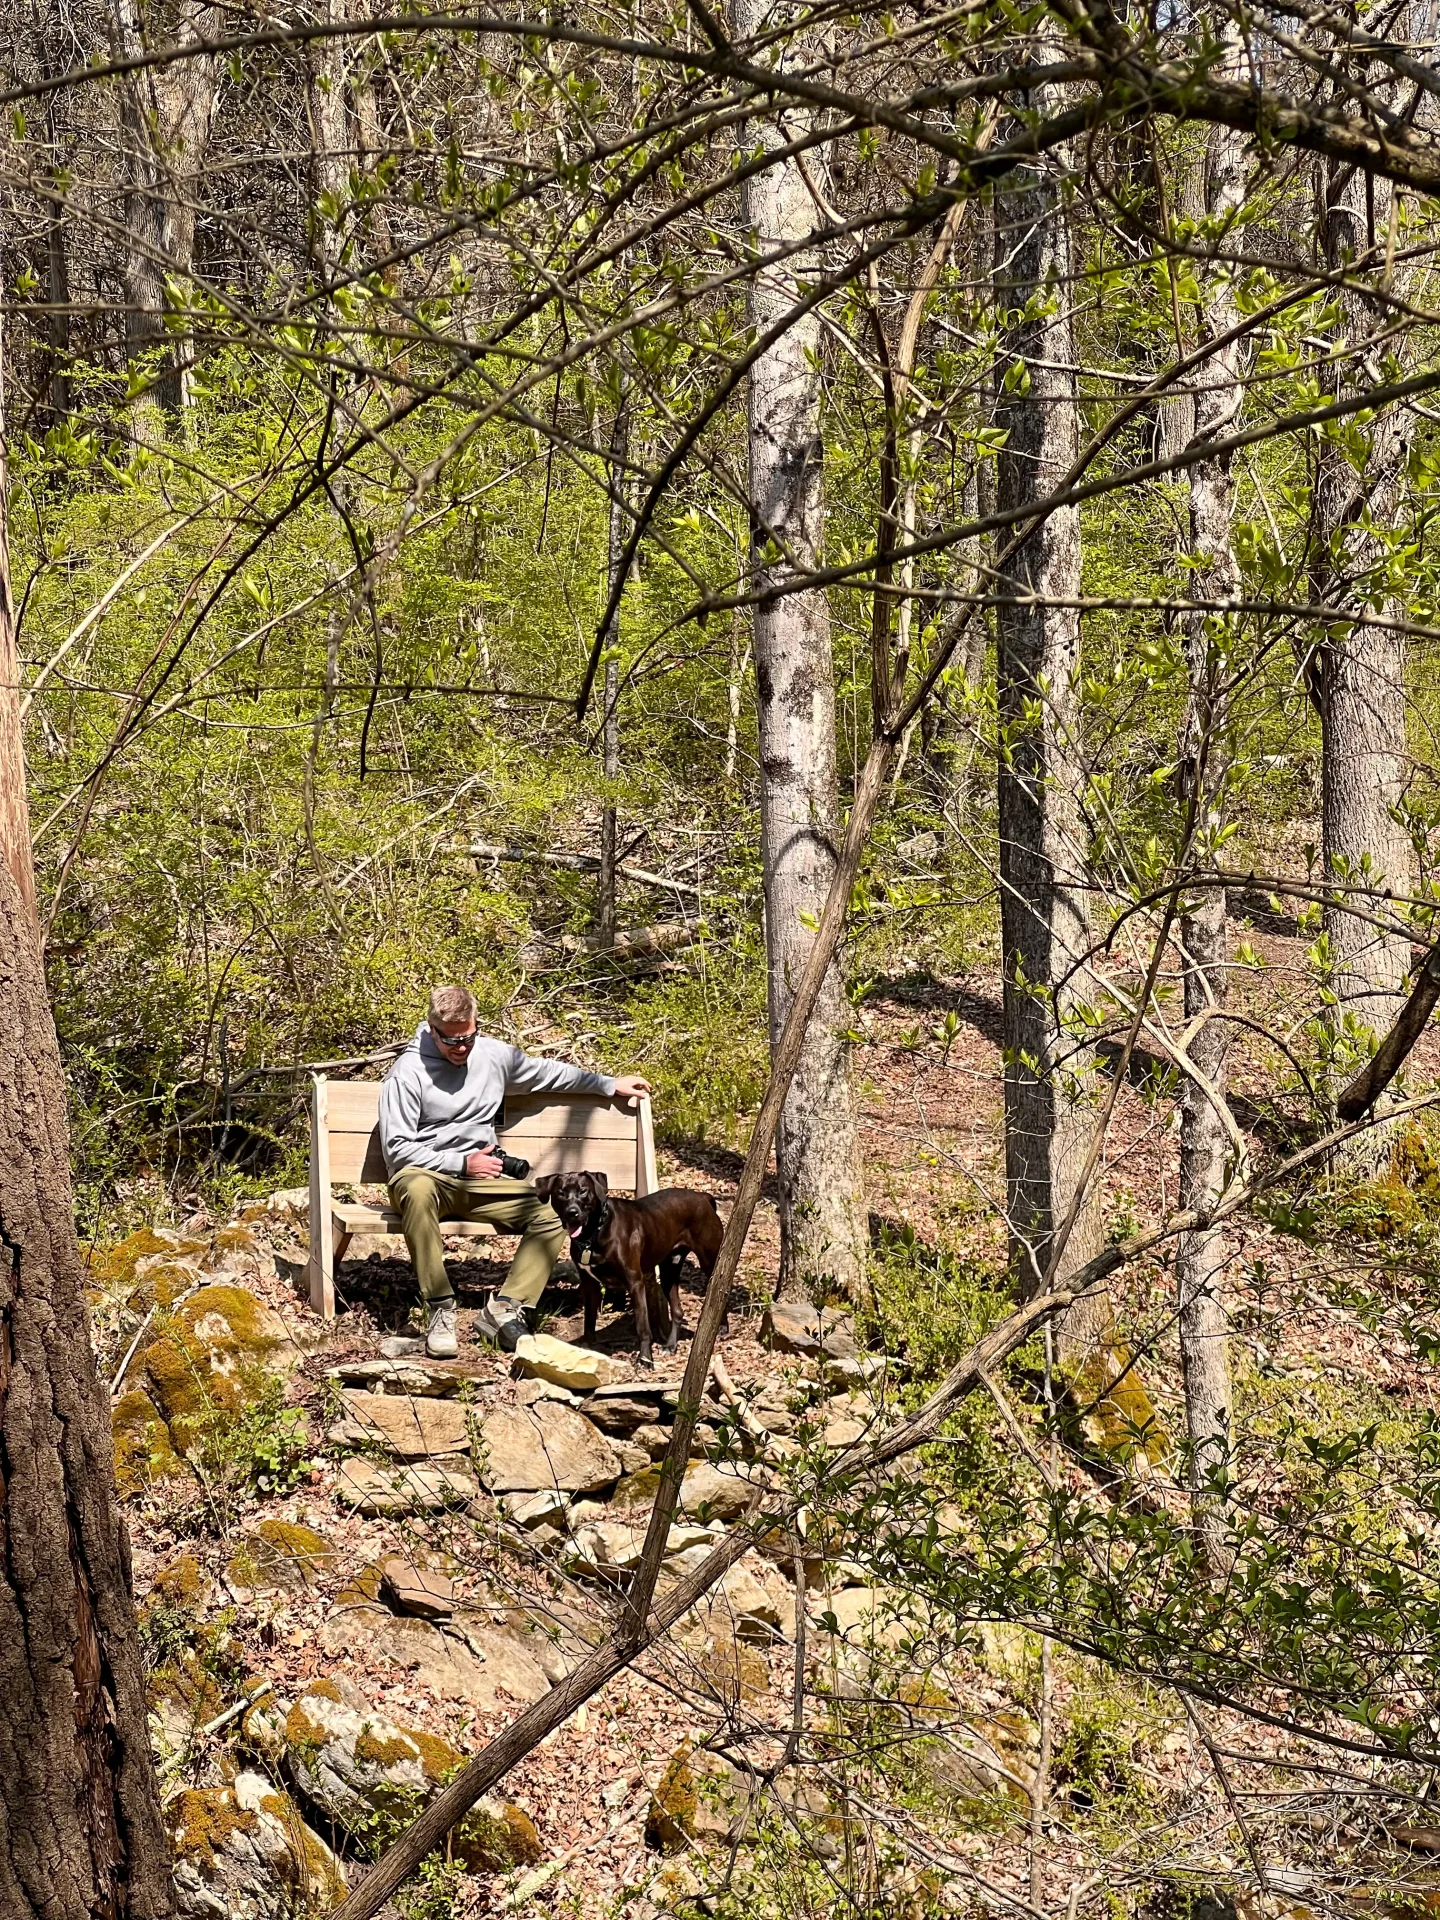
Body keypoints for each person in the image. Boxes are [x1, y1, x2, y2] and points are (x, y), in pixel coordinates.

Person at [378, 986, 651, 1357]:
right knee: (419, 1188)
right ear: (431, 1028)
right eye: (450, 1040)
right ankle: (440, 1309)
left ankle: (505, 1309)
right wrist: (461, 1163)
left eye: (468, 1037)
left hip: (482, 1183)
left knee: (553, 1213)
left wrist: (608, 1084)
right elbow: (397, 1150)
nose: (461, 1047)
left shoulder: (492, 1055)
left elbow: (549, 1073)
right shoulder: (407, 1073)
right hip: (425, 1178)